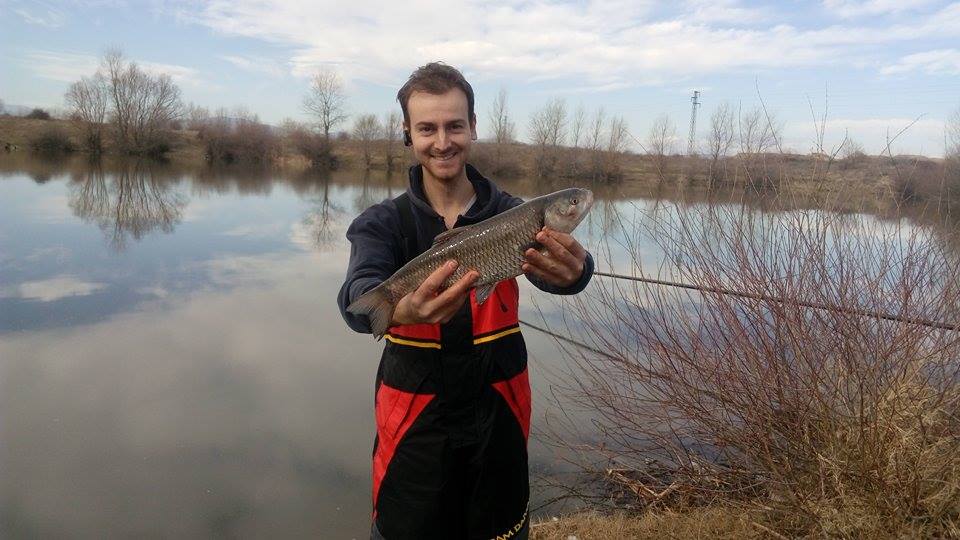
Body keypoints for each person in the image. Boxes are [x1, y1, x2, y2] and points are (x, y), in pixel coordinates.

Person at [337, 62, 594, 540]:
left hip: (500, 413)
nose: (443, 142)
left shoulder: (515, 213)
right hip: (414, 418)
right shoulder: (381, 223)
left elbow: (559, 276)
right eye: (427, 128)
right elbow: (357, 296)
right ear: (408, 134)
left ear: (473, 126)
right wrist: (400, 312)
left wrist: (577, 273)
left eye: (455, 125)